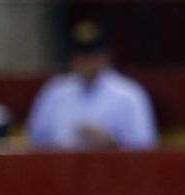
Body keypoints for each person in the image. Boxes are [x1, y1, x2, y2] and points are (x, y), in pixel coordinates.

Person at [26, 22, 157, 150]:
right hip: (61, 167)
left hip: (112, 168)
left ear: (105, 56)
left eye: (91, 55)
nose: (85, 62)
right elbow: (33, 141)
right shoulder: (54, 91)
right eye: (80, 56)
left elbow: (145, 148)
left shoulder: (129, 94)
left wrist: (111, 143)